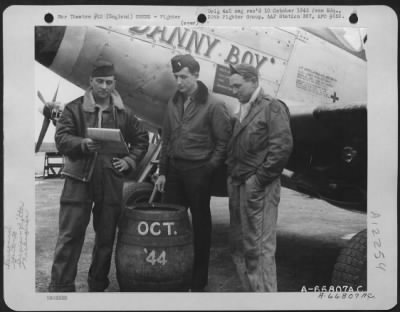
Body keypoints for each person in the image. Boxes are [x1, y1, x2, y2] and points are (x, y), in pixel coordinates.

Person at [48, 60, 149, 292]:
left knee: (105, 238)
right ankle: (61, 288)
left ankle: (97, 286)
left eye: (109, 82)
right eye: (100, 81)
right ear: (91, 81)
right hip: (78, 181)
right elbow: (61, 140)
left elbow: (141, 140)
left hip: (110, 180)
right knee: (70, 236)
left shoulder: (125, 114)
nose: (104, 87)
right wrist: (82, 143)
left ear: (114, 84)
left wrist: (129, 160)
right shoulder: (73, 109)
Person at [155, 54, 231, 291]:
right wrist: (162, 172)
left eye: (184, 77)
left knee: (200, 227)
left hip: (198, 172)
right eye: (176, 76)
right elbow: (166, 139)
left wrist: (208, 169)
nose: (179, 82)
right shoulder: (173, 102)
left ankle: (198, 281)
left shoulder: (214, 105)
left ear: (196, 75)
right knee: (172, 225)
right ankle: (174, 274)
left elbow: (223, 142)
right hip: (174, 172)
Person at [226, 63, 293, 292]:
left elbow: (282, 148)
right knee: (241, 246)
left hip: (260, 188)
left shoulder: (272, 107)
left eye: (238, 86)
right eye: (231, 86)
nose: (234, 91)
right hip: (240, 184)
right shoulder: (242, 108)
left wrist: (259, 180)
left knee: (260, 250)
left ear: (253, 81)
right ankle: (251, 297)